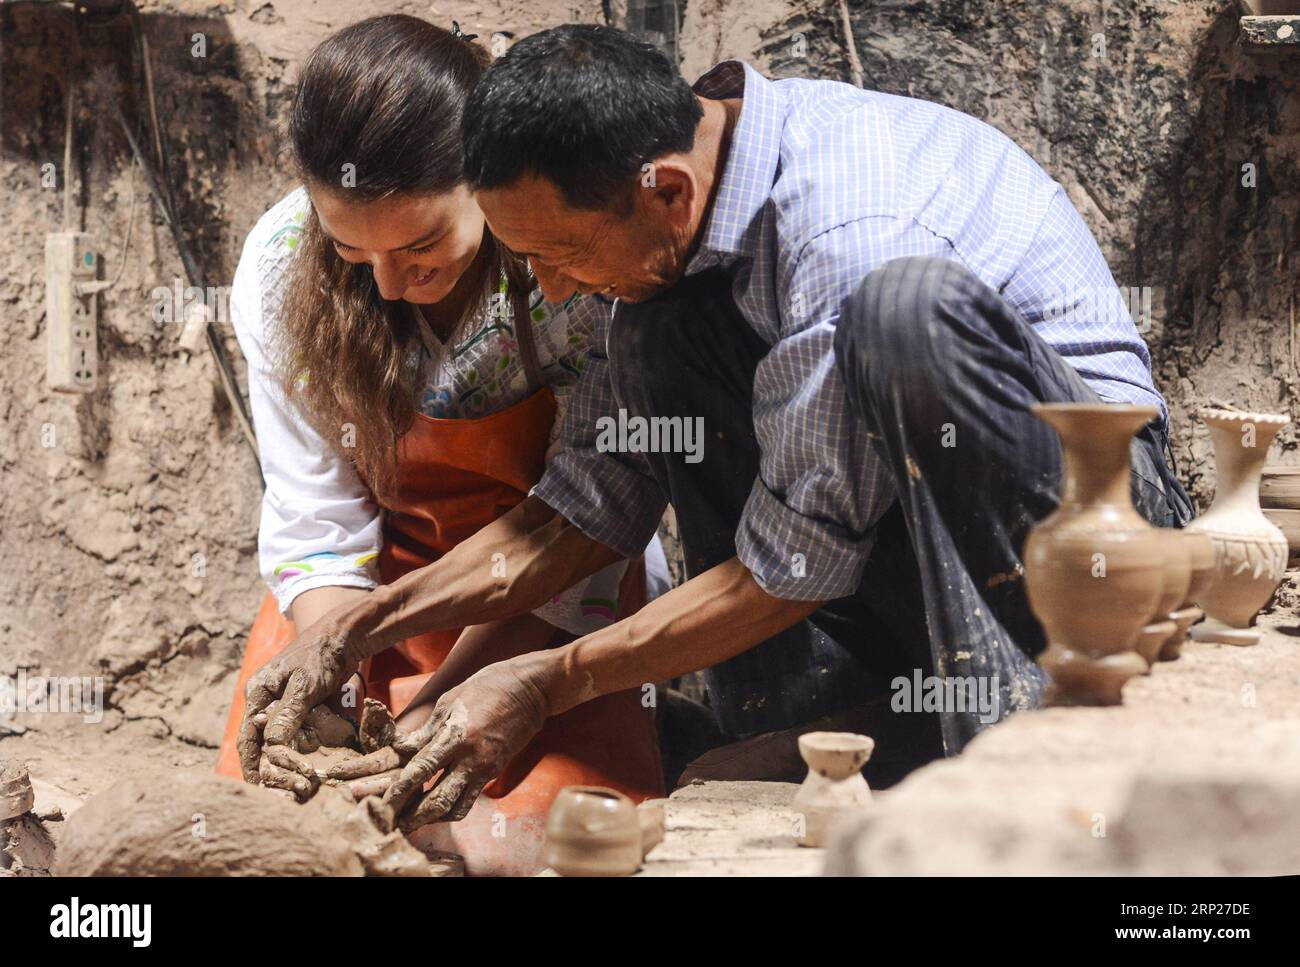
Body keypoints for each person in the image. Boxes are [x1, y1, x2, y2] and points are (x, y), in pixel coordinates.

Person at [239, 24, 1193, 829]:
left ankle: (1014, 731)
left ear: (667, 191)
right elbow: (590, 502)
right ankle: (853, 717)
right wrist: (364, 626)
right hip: (894, 530)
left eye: (564, 256)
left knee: (905, 312)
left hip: (1093, 530)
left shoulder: (844, 239)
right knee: (663, 320)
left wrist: (546, 680)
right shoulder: (678, 210)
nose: (556, 288)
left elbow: (795, 564)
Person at [216, 17, 663, 875]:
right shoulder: (279, 269)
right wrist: (333, 682)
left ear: (484, 183)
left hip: (547, 597)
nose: (386, 283)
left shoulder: (568, 265)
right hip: (362, 599)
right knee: (268, 836)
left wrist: (432, 716)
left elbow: (595, 515)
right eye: (352, 248)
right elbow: (316, 519)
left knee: (517, 849)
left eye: (421, 246)